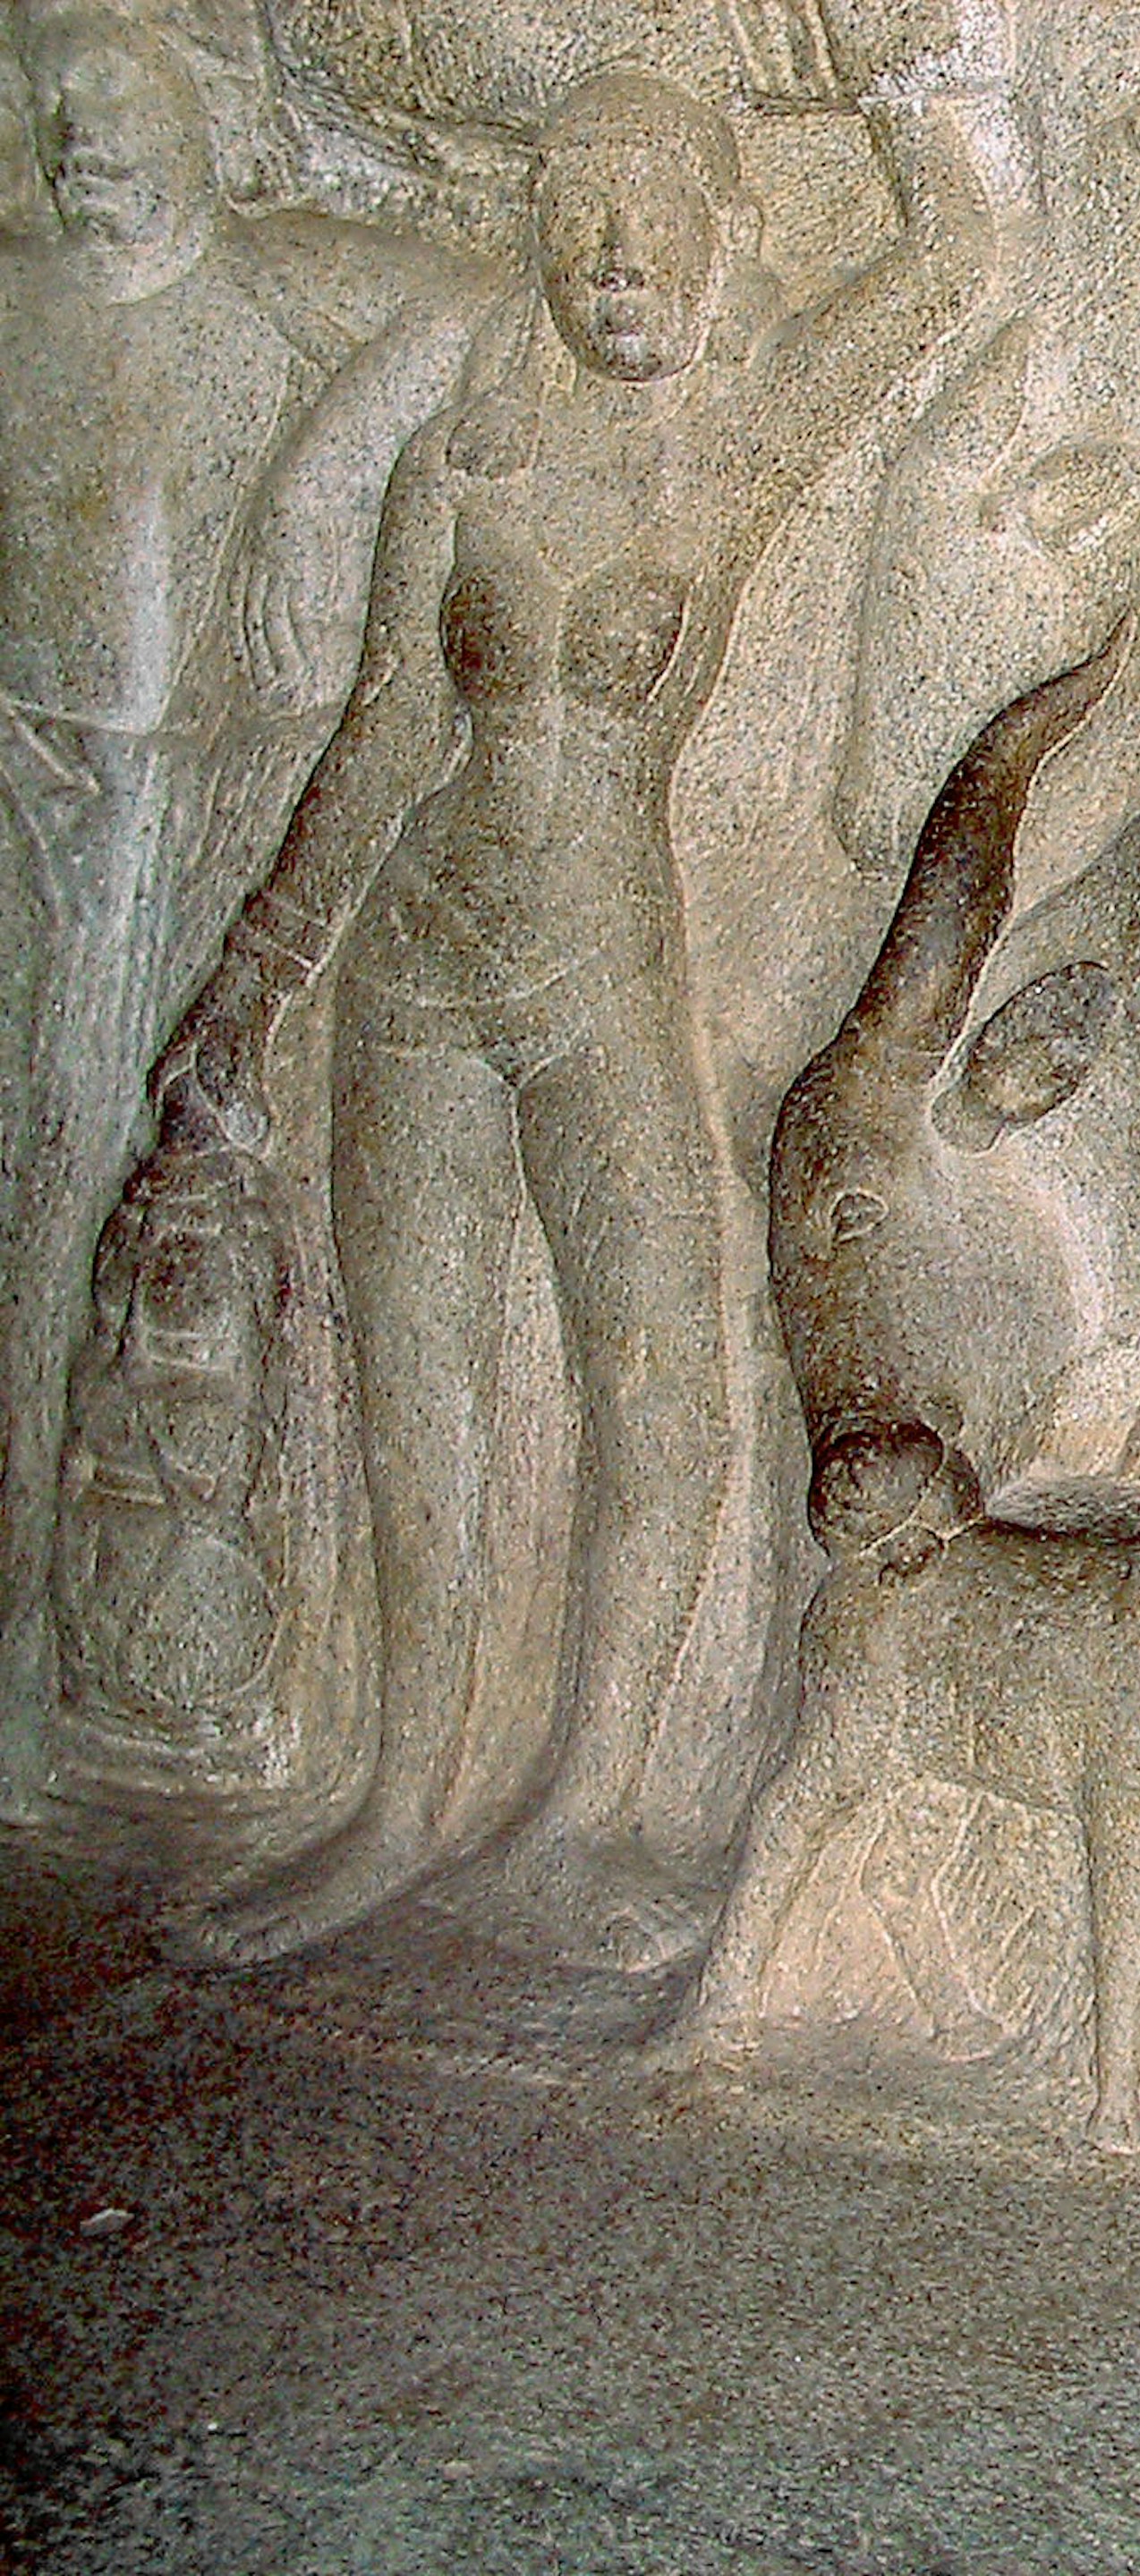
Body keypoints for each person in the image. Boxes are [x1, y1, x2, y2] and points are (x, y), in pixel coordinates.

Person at [139, 61, 1024, 1968]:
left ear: (721, 239)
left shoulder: (735, 437)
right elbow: (382, 736)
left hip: (595, 952)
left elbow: (961, 248)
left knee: (652, 1368)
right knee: (419, 1378)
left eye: (653, 215)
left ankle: (590, 1797)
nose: (614, 252)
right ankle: (402, 1795)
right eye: (576, 218)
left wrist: (892, 74)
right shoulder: (466, 456)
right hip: (418, 960)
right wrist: (251, 983)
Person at [0, 0, 483, 1804]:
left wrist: (323, 459)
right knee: (44, 1212)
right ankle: (41, 1655)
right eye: (49, 99)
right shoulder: (27, 301)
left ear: (205, 106)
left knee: (214, 1209)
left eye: (111, 89)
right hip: (55, 798)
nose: (79, 132)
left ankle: (249, 1674)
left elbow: (469, 304)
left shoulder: (279, 271)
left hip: (223, 800)